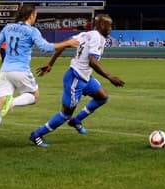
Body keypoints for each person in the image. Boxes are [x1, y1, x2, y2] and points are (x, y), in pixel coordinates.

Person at [29, 14, 125, 147]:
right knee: (65, 114)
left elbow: (64, 45)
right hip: (75, 79)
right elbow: (92, 62)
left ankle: (77, 120)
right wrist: (110, 77)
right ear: (102, 25)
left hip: (85, 77)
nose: (111, 28)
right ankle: (37, 135)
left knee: (102, 97)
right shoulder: (97, 37)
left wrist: (51, 63)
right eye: (109, 25)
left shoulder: (86, 34)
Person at [0, 4, 56, 156]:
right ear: (30, 15)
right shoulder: (32, 30)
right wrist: (65, 44)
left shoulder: (8, 27)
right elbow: (46, 47)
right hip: (21, 70)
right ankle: (13, 102)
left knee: (0, 108)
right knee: (34, 97)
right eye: (35, 15)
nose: (35, 17)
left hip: (5, 70)